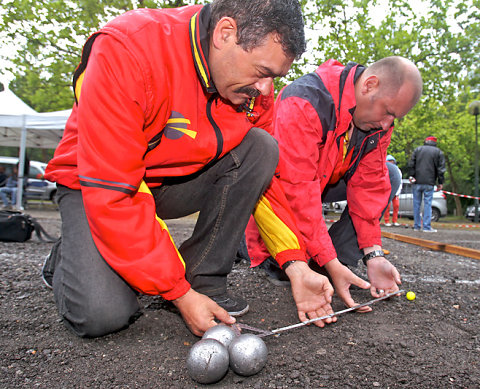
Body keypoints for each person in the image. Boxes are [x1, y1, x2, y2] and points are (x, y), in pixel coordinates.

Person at [42, 0, 334, 339]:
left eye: (275, 78)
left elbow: (267, 184)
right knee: (103, 315)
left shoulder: (251, 88)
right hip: (96, 182)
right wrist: (177, 292)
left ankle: (203, 278)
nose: (267, 90)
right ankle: (70, 252)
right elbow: (114, 189)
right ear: (226, 33)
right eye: (263, 73)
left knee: (262, 147)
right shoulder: (127, 48)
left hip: (169, 181)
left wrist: (295, 265)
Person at [247, 56, 423, 312]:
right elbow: (296, 190)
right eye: (387, 112)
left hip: (322, 181)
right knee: (276, 245)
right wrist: (325, 258)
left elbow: (370, 184)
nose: (386, 125)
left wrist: (373, 255)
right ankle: (287, 259)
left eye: (393, 118)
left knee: (391, 174)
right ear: (369, 85)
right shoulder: (305, 101)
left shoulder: (377, 122)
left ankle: (332, 263)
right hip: (286, 190)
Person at [408, 136, 445, 232]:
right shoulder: (438, 152)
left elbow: (411, 164)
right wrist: (440, 182)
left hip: (417, 181)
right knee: (428, 204)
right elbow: (441, 169)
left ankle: (416, 226)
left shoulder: (418, 150)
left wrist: (412, 176)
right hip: (429, 182)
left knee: (416, 204)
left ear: (425, 141)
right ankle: (426, 226)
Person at [383, 155, 403, 226]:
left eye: (392, 161)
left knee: (396, 206)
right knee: (387, 206)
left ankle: (394, 220)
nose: (391, 162)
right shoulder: (385, 168)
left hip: (396, 191)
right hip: (388, 190)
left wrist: (399, 190)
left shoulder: (397, 170)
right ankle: (386, 220)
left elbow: (400, 180)